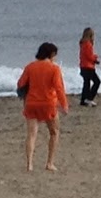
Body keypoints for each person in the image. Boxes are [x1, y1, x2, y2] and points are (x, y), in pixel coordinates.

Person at [17, 42, 68, 173]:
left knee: (31, 134)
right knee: (54, 132)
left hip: (32, 103)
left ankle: (29, 164)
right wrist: (64, 104)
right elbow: (59, 87)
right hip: (48, 103)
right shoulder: (54, 68)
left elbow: (21, 83)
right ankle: (49, 163)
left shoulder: (30, 67)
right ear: (51, 54)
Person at [78, 27, 100, 107]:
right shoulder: (88, 44)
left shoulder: (82, 43)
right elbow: (89, 56)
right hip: (88, 66)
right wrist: (95, 58)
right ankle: (89, 98)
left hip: (83, 65)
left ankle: (83, 100)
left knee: (86, 83)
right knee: (97, 82)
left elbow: (84, 55)